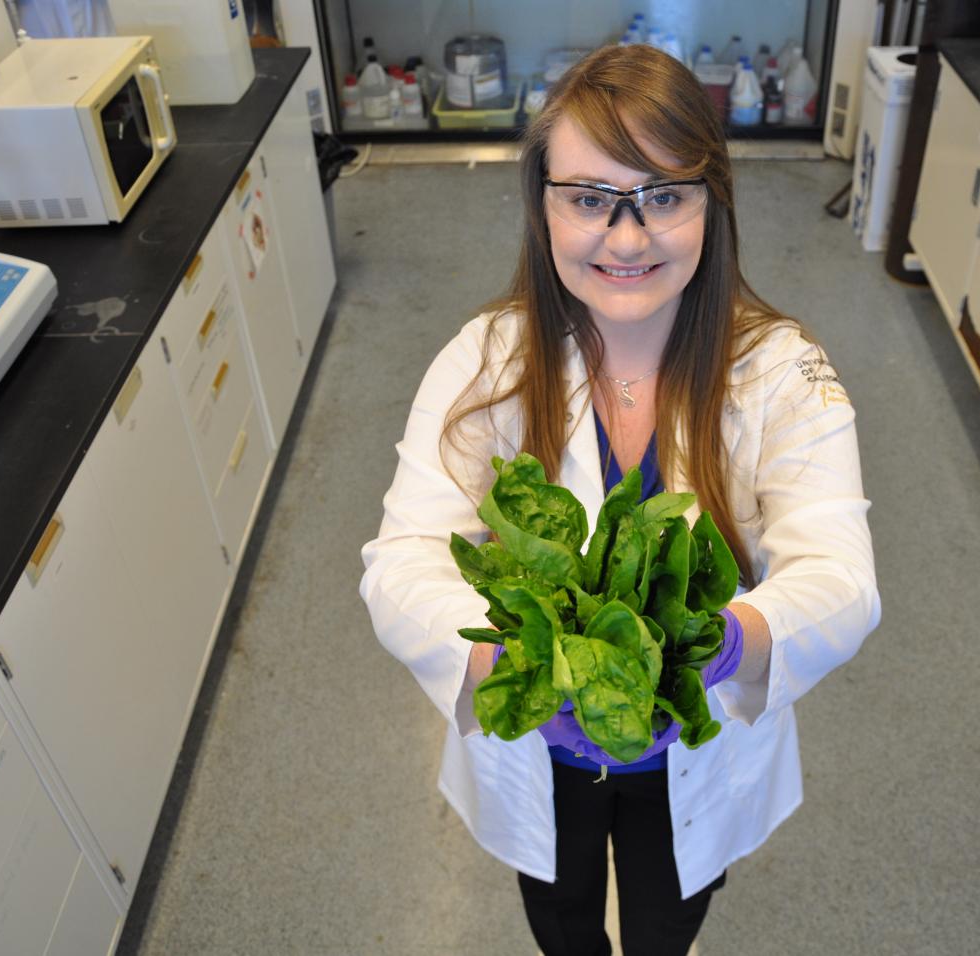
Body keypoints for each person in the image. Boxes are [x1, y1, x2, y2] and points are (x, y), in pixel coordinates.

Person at [360, 43, 880, 956]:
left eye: (664, 196)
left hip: (693, 745)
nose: (628, 238)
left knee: (665, 917)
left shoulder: (783, 372)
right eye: (592, 199)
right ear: (543, 204)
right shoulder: (485, 363)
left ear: (712, 203)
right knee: (561, 917)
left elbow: (840, 575)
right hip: (542, 748)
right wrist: (518, 679)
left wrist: (724, 647)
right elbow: (399, 566)